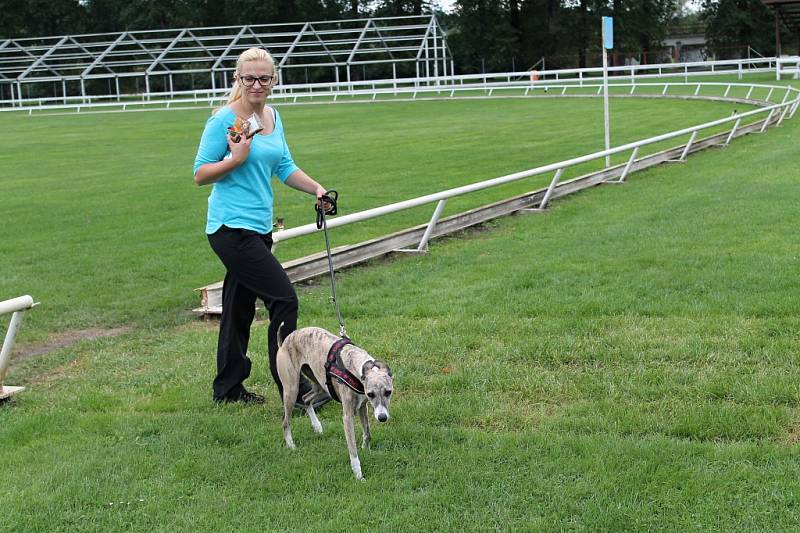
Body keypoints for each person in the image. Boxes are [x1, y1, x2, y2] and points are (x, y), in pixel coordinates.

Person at [193, 47, 329, 405]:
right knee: (284, 300)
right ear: (237, 79)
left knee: (238, 308)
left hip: (258, 227)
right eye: (249, 77)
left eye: (264, 78)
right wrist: (235, 159)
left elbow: (283, 166)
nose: (256, 84)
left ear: (274, 80)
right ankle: (296, 390)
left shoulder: (273, 116)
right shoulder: (223, 120)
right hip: (229, 229)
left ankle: (228, 388)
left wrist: (316, 188)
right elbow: (200, 174)